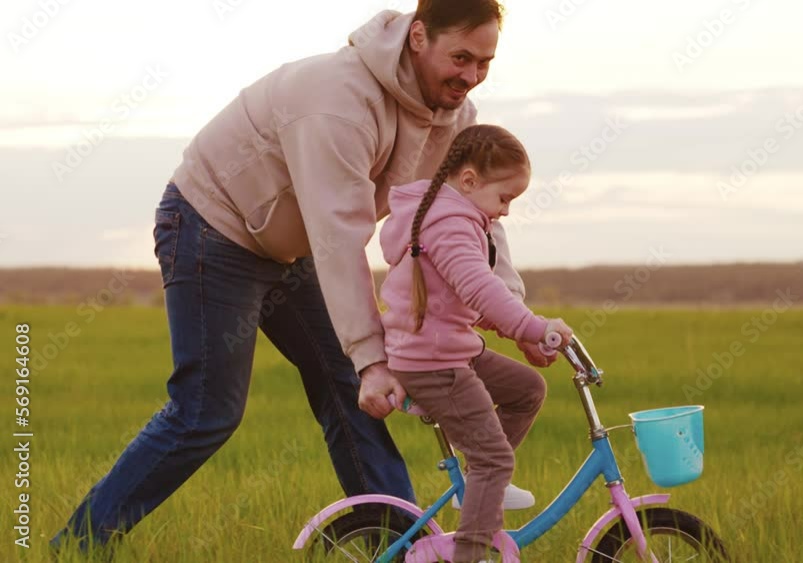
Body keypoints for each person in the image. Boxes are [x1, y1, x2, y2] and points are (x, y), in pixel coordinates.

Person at [51, 1, 557, 553]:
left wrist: (517, 317)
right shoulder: (338, 102)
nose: (471, 75)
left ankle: (400, 544)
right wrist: (369, 354)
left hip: (294, 250)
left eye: (484, 62)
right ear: (418, 38)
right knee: (207, 410)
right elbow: (340, 235)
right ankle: (76, 545)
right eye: (460, 57)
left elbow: (477, 214)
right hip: (212, 229)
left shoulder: (456, 119)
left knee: (353, 388)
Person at [379, 124, 575, 562]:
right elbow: (481, 288)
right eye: (504, 198)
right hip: (433, 360)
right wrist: (535, 326)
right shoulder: (450, 225)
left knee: (527, 390)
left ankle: (476, 490)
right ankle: (471, 552)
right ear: (468, 181)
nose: (505, 211)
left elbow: (469, 302)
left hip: (449, 349)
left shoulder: (458, 219)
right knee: (495, 460)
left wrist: (520, 332)